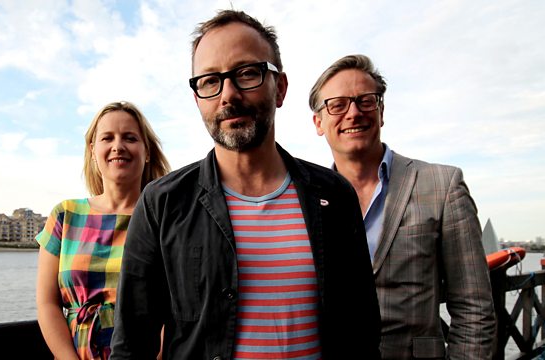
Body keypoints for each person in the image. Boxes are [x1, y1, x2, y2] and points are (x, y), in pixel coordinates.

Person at [110, 10, 381, 360]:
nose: (228, 94)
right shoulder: (162, 203)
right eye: (210, 81)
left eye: (247, 73)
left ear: (280, 87)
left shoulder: (334, 196)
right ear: (197, 98)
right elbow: (133, 344)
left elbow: (362, 334)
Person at [308, 54, 496, 359]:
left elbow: (474, 307)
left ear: (381, 112)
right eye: (337, 105)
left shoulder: (442, 185)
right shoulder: (306, 198)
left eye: (366, 101)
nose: (353, 113)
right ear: (319, 122)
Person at [36, 101, 170, 360]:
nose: (117, 146)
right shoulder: (65, 215)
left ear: (148, 151)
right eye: (107, 138)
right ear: (93, 150)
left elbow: (175, 307)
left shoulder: (164, 220)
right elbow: (47, 303)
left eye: (130, 138)